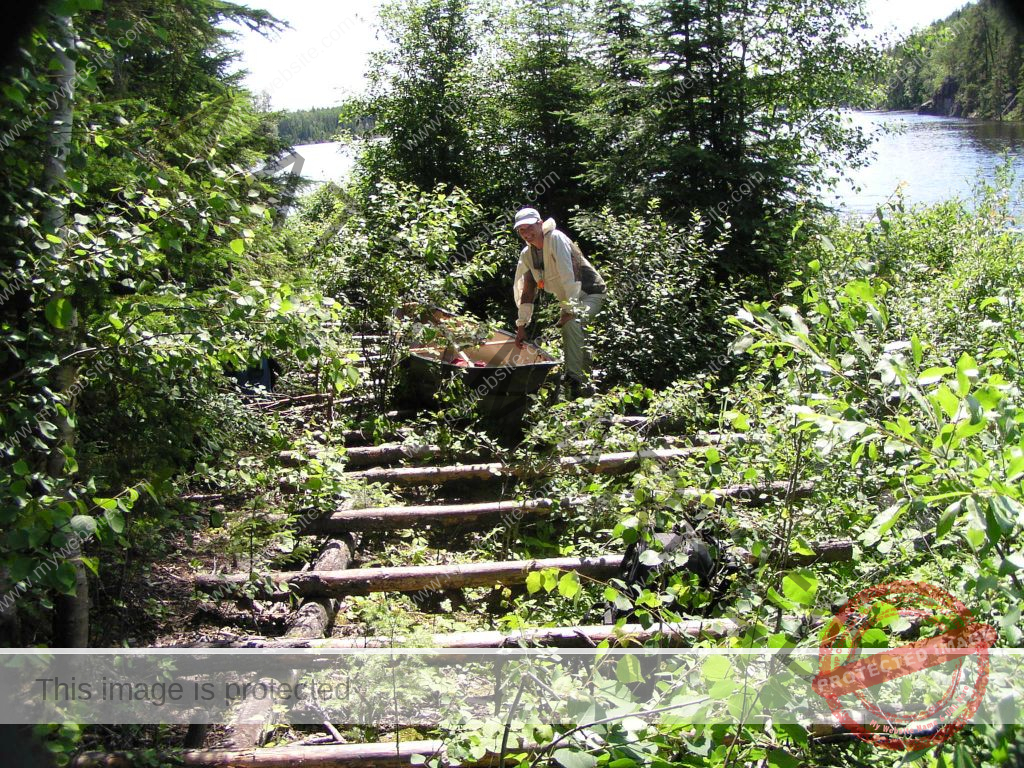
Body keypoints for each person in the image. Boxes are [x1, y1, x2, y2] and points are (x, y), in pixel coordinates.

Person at [512, 207, 606, 396]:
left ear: (540, 224)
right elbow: (527, 290)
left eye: (529, 227)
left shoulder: (556, 238)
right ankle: (587, 384)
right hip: (570, 299)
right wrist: (521, 325)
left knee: (572, 324)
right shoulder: (527, 254)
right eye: (521, 230)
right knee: (578, 333)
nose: (526, 233)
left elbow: (570, 276)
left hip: (590, 293)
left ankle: (573, 380)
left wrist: (569, 309)